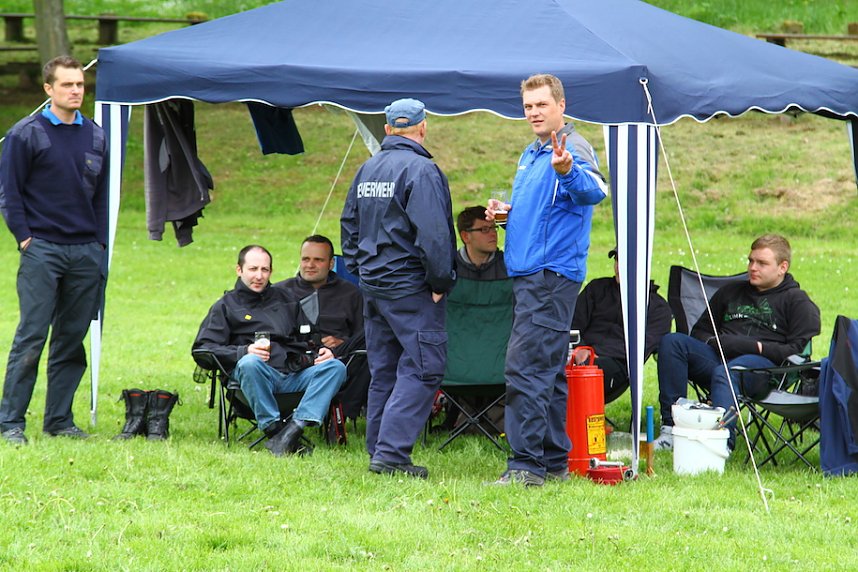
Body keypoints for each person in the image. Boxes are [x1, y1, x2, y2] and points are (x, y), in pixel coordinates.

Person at [487, 73, 607, 486]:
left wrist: (569, 169)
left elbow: (595, 191)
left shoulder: (571, 147)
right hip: (529, 274)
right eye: (527, 107)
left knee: (525, 370)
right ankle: (554, 462)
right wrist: (507, 215)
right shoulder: (531, 152)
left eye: (541, 104)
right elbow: (543, 215)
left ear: (561, 104)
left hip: (549, 277)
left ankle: (525, 467)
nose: (533, 113)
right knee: (549, 371)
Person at [341, 97, 456, 479]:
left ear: (388, 129)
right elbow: (435, 236)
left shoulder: (367, 168)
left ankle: (378, 449)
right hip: (410, 288)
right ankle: (390, 455)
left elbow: (349, 226)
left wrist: (361, 271)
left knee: (385, 370)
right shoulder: (421, 170)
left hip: (374, 287)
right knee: (425, 368)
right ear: (423, 128)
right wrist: (441, 281)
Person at [0, 56, 109, 445]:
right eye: (67, 85)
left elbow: (100, 198)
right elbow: (9, 194)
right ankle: (11, 422)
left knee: (71, 339)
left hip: (84, 252)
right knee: (31, 336)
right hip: (42, 249)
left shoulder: (96, 135)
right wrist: (26, 237)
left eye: (80, 84)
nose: (76, 90)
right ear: (49, 90)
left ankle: (59, 420)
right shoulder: (24, 134)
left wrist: (98, 244)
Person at [654, 234, 821, 451]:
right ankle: (670, 429)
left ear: (782, 267)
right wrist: (717, 342)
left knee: (728, 371)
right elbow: (700, 331)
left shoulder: (797, 301)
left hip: (764, 370)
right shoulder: (731, 292)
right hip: (718, 357)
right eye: (751, 260)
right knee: (672, 342)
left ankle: (721, 444)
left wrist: (753, 347)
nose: (753, 267)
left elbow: (796, 351)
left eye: (762, 263)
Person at [192, 245, 346, 456]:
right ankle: (274, 429)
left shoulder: (286, 299)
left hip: (292, 374)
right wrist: (244, 351)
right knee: (249, 363)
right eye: (253, 269)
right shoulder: (225, 306)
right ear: (239, 270)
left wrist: (322, 350)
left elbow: (310, 336)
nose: (259, 276)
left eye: (264, 270)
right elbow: (202, 349)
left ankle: (294, 428)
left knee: (336, 367)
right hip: (253, 381)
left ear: (271, 272)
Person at [274, 234, 368, 419]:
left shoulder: (350, 293)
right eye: (306, 259)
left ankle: (347, 411)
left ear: (331, 263)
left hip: (341, 359)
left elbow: (362, 334)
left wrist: (343, 343)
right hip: (296, 361)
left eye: (318, 260)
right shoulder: (281, 292)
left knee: (374, 336)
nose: (310, 265)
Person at [571, 247, 672, 403]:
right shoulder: (596, 288)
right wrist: (581, 348)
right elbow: (572, 324)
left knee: (584, 375)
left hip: (616, 364)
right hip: (577, 355)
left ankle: (579, 422)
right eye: (617, 260)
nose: (618, 266)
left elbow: (640, 349)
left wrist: (593, 355)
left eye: (625, 262)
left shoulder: (658, 308)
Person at [455, 206, 507, 281]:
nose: (493, 234)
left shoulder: (507, 266)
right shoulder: (450, 269)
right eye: (484, 229)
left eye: (493, 227)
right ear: (465, 236)